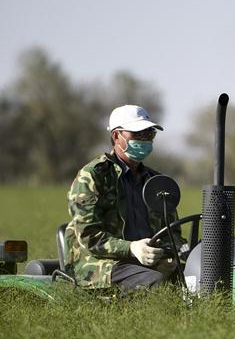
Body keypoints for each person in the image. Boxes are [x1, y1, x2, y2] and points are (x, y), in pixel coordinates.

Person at [64, 105, 185, 292]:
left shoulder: (156, 181)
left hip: (149, 263)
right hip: (99, 265)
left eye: (149, 134)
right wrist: (132, 249)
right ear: (116, 136)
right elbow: (89, 237)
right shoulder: (93, 176)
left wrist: (171, 254)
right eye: (137, 134)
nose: (144, 140)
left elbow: (173, 232)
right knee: (156, 282)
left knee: (200, 276)